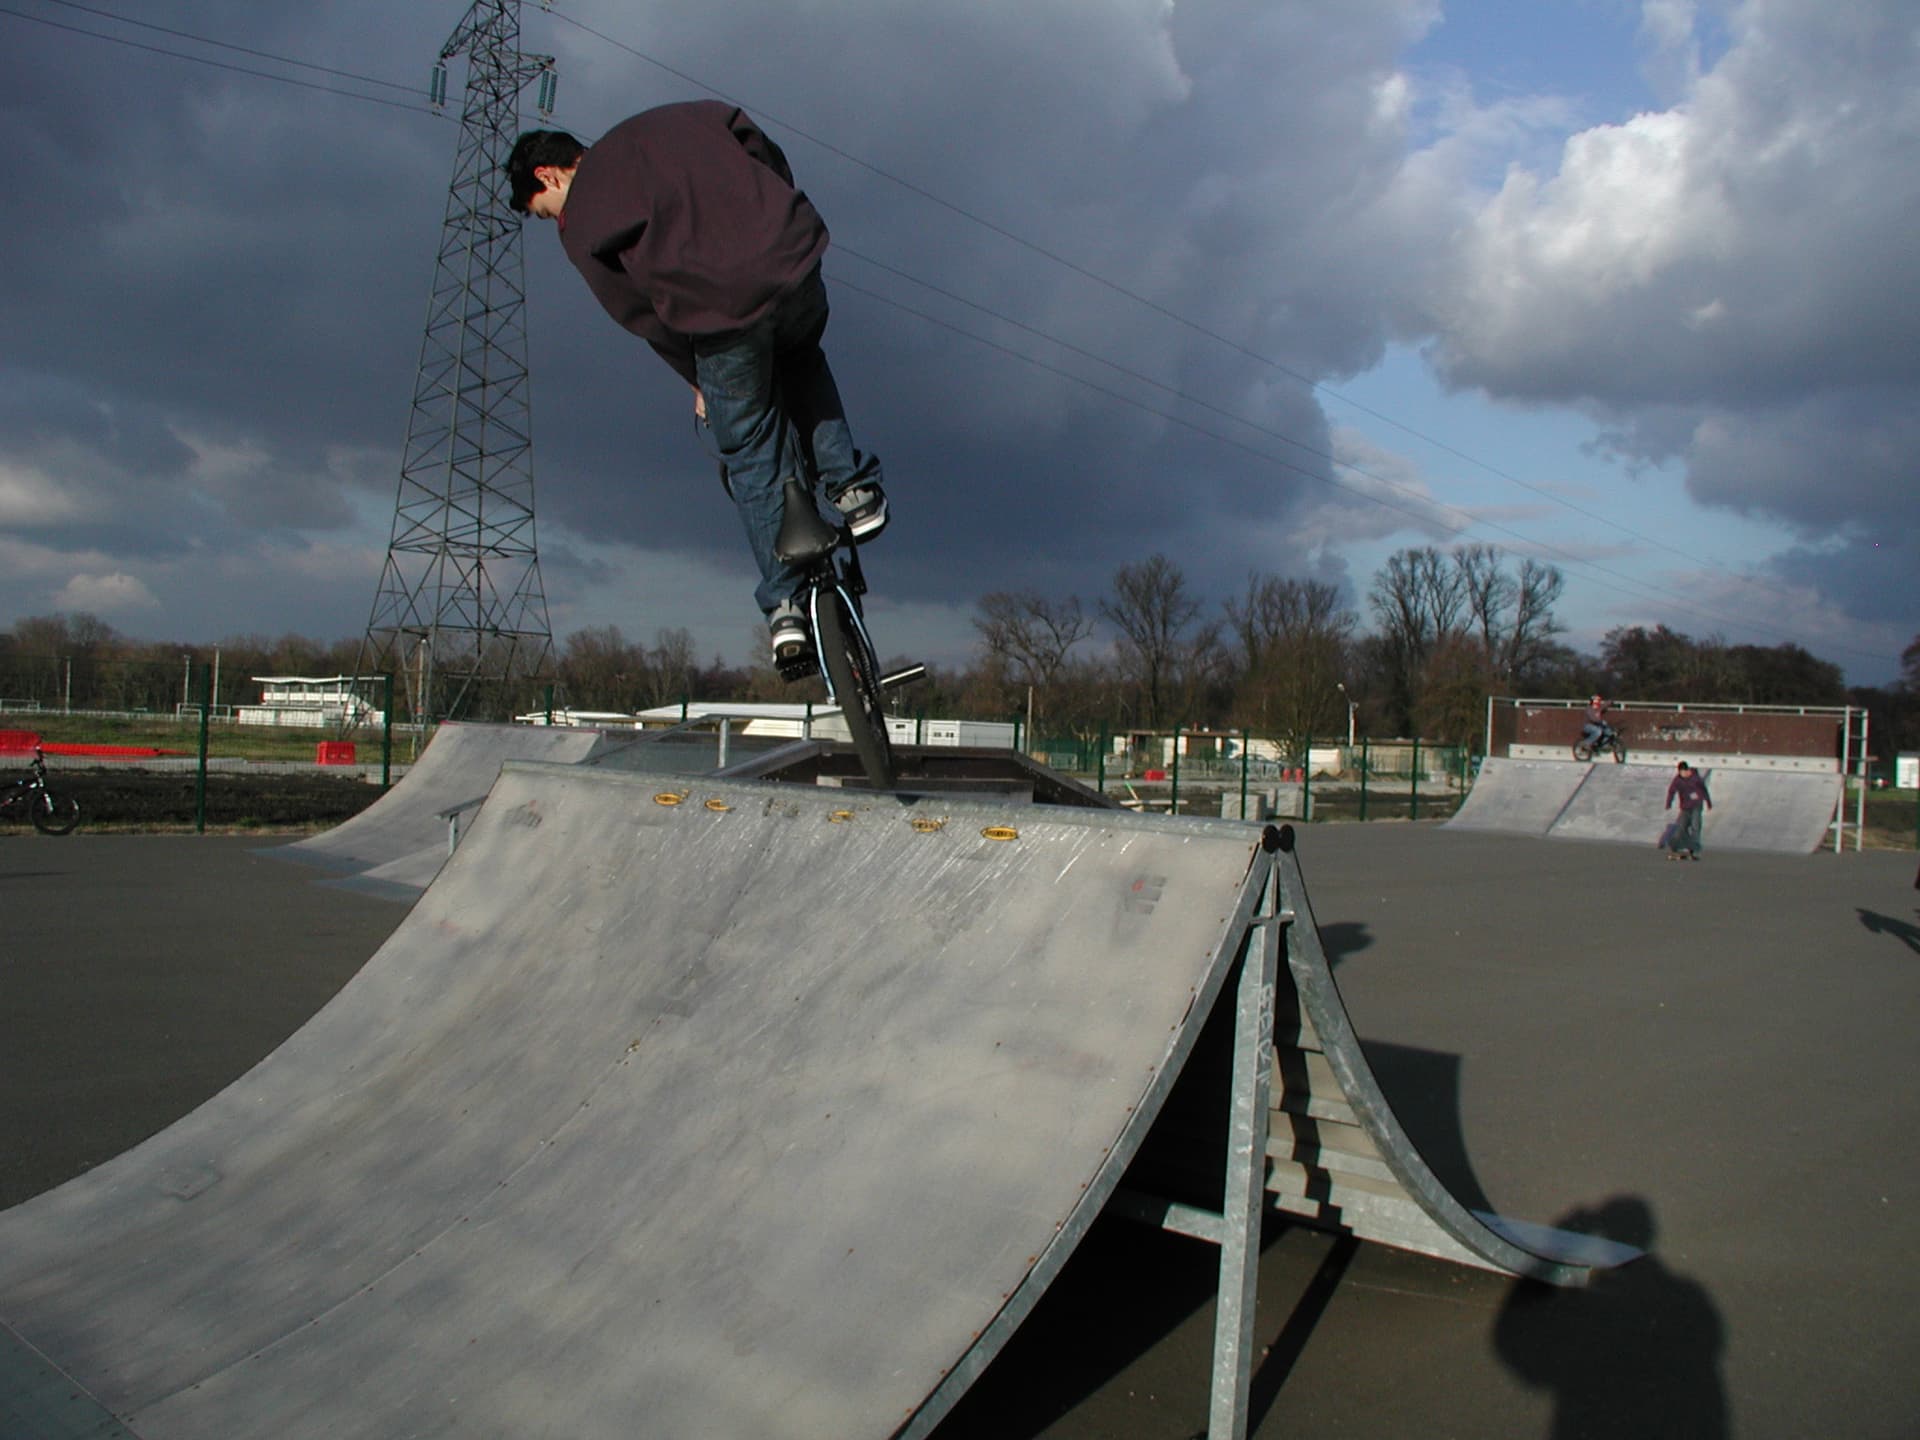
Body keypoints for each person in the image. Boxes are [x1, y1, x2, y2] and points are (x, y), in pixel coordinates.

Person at [507, 103, 888, 665]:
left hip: (719, 314)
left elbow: (635, 310)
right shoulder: (679, 119)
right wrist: (769, 210)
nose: (552, 218)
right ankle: (853, 491)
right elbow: (759, 145)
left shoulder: (582, 212)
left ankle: (785, 608)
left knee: (750, 448)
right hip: (790, 256)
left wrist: (697, 377)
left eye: (542, 211)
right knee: (802, 354)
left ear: (550, 175)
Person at [1664, 760, 1712, 861]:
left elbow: (1704, 790)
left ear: (1687, 770)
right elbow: (1671, 791)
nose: (1683, 774)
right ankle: (1676, 847)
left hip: (1696, 806)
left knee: (1695, 826)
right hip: (1685, 807)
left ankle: (1695, 850)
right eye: (1681, 772)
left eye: (1684, 772)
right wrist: (1669, 803)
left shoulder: (1696, 778)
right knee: (1681, 827)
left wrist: (1708, 802)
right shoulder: (1678, 780)